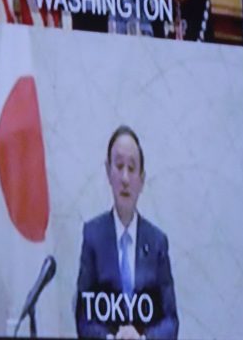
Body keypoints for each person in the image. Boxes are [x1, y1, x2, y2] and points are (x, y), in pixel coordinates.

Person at [75, 126, 177, 339]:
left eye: (131, 168)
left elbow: (171, 321)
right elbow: (83, 318)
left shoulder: (157, 242)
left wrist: (142, 338)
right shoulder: (93, 236)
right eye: (118, 166)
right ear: (107, 171)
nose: (124, 178)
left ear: (141, 179)